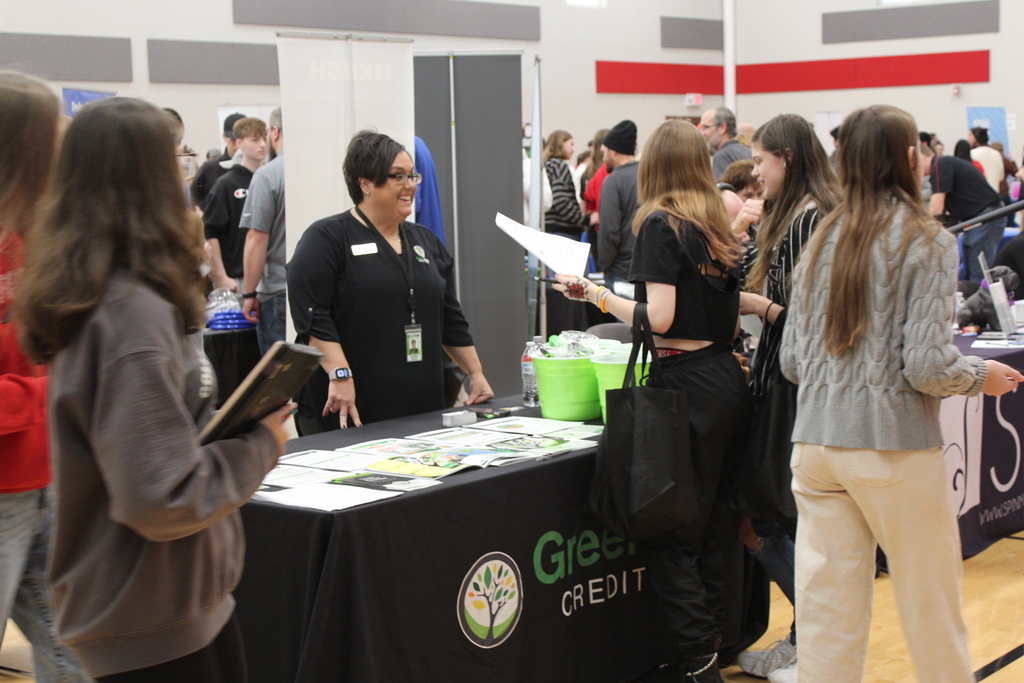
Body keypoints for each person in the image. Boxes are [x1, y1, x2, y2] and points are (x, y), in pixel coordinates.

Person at [16, 96, 293, 682]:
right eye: (176, 158)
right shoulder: (127, 317)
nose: (187, 172)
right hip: (150, 623)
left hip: (168, 610)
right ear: (146, 177)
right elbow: (160, 495)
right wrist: (259, 444)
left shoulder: (115, 296)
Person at [779, 104, 1024, 683]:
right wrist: (980, 379)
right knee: (930, 605)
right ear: (908, 157)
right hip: (891, 448)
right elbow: (927, 366)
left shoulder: (819, 241)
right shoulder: (925, 241)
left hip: (814, 444)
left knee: (826, 614)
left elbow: (792, 360)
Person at [552, 119, 750, 682]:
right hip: (724, 381)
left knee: (668, 536)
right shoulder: (718, 225)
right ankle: (715, 645)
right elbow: (729, 318)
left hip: (684, 384)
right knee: (712, 528)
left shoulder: (662, 225)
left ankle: (699, 662)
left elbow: (658, 319)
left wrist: (594, 294)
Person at [287, 130, 494, 434]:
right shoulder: (327, 238)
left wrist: (475, 373)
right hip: (350, 404)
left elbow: (450, 318)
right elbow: (313, 318)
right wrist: (340, 376)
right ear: (365, 182)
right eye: (398, 176)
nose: (409, 185)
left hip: (421, 402)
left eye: (412, 176)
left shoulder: (427, 241)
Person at [733, 113, 841, 683]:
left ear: (788, 158)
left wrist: (760, 308)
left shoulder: (808, 220)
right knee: (778, 519)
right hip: (789, 383)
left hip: (790, 386)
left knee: (771, 519)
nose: (756, 173)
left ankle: (815, 640)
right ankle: (810, 640)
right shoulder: (802, 214)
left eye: (761, 162)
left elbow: (809, 318)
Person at [0, 70, 92, 683]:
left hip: (45, 478)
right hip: (11, 482)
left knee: (72, 645)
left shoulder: (40, 238)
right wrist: (51, 391)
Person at [240, 108, 286, 353]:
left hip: (278, 292)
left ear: (275, 132)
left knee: (280, 382)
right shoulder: (326, 171)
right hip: (322, 292)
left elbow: (257, 239)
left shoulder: (268, 175)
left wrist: (249, 293)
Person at [204, 116, 267, 292]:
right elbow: (211, 231)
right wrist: (221, 276)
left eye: (264, 139)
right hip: (236, 278)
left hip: (268, 277)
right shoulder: (225, 185)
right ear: (238, 143)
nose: (262, 145)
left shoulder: (269, 180)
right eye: (255, 140)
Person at [926, 142, 1003, 281]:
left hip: (985, 215)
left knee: (978, 274)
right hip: (977, 216)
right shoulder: (944, 164)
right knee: (970, 273)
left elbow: (936, 208)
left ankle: (983, 300)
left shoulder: (940, 164)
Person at [596, 119, 639, 300]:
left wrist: (604, 265)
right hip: (651, 271)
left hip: (622, 272)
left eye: (604, 152)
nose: (603, 157)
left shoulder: (613, 181)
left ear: (614, 151)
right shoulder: (650, 175)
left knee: (624, 327)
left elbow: (609, 230)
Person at [191, 112, 245, 211]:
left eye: (241, 138)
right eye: (233, 139)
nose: (237, 144)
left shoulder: (257, 170)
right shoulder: (209, 168)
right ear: (224, 136)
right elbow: (191, 198)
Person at [542, 130, 588, 240]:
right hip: (562, 230)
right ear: (561, 143)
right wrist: (584, 219)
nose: (573, 150)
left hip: (550, 229)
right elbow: (561, 201)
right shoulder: (558, 166)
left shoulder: (547, 166)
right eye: (571, 144)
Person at [700, 106, 752, 180]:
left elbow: (724, 189)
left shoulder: (722, 156)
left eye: (706, 127)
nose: (702, 133)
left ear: (722, 128)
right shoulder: (747, 151)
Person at [968, 126, 1004, 193]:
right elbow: (1001, 176)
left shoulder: (971, 154)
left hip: (978, 194)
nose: (968, 138)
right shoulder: (996, 154)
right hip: (994, 193)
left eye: (969, 135)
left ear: (975, 138)